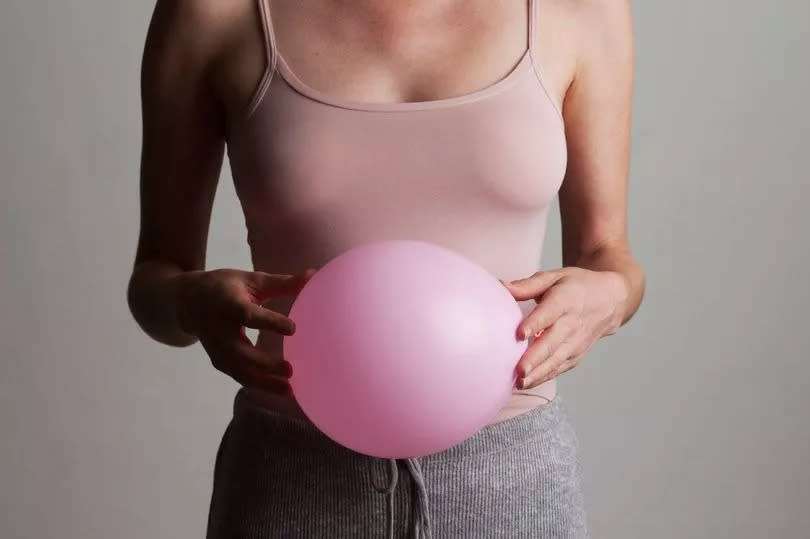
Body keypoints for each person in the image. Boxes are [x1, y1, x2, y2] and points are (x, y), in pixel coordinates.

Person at [128, 0, 644, 536]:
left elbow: (610, 256)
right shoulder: (213, 12)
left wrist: (605, 299)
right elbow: (156, 279)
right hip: (291, 483)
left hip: (512, 483)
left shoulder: (582, 9)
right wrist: (191, 305)